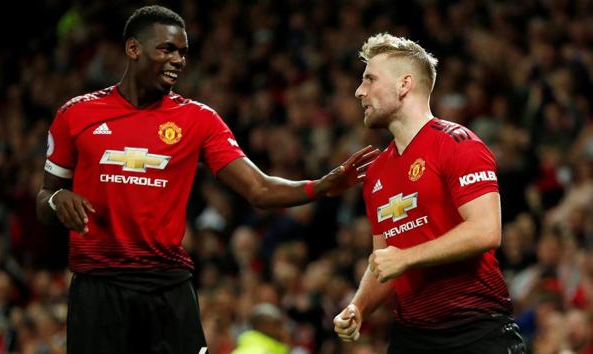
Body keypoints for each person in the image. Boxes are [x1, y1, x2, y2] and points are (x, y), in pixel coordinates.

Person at [35, 5, 378, 354]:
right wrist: (55, 199)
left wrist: (319, 187)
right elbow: (45, 198)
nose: (178, 60)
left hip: (166, 287)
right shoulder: (76, 114)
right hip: (98, 288)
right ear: (133, 49)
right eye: (167, 49)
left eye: (182, 52)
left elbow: (257, 188)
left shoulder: (199, 120)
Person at [333, 33, 526, 354]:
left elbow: (486, 231)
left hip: (476, 329)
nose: (359, 91)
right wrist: (359, 307)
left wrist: (405, 257)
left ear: (404, 85)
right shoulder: (376, 173)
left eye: (369, 79)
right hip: (412, 337)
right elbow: (384, 262)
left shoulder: (457, 143)